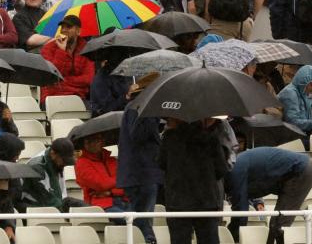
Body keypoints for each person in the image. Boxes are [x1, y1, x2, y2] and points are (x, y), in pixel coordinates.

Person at [226, 147, 312, 244]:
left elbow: (241, 212)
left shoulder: (234, 170)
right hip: (299, 169)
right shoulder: (237, 165)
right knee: (276, 224)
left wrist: (231, 236)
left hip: (300, 170)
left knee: (279, 225)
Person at [158, 118, 228, 244]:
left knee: (179, 240)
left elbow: (161, 163)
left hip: (177, 200)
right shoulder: (211, 138)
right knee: (209, 240)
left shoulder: (169, 137)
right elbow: (222, 169)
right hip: (206, 200)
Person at [116, 78, 162, 243]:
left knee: (142, 215)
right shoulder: (140, 109)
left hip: (141, 174)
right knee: (142, 216)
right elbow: (138, 135)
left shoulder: (136, 108)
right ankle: (149, 240)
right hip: (141, 174)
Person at [39, 16, 94, 103]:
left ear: (78, 31)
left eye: (68, 27)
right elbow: (51, 76)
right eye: (62, 27)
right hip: (52, 97)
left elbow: (88, 79)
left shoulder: (87, 49)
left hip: (78, 97)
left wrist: (63, 82)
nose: (64, 30)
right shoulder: (48, 48)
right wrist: (61, 51)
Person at [21, 138, 83, 211]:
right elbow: (48, 199)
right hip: (34, 205)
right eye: (64, 160)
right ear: (53, 154)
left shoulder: (58, 163)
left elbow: (62, 195)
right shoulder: (37, 166)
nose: (65, 163)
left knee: (82, 206)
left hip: (51, 201)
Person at [75, 133, 126, 212]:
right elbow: (101, 184)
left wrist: (110, 192)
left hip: (125, 201)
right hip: (100, 206)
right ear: (86, 144)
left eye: (100, 138)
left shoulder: (112, 160)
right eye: (95, 139)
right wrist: (118, 181)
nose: (100, 141)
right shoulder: (81, 163)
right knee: (134, 221)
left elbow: (126, 182)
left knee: (142, 218)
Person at [279, 65, 312, 136]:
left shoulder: (303, 92)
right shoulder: (290, 93)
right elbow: (292, 122)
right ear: (303, 81)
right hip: (290, 137)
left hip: (300, 134)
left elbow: (306, 117)